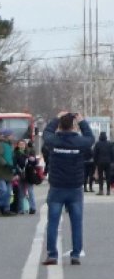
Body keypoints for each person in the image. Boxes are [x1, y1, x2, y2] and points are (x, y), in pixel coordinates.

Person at [41, 112, 94, 265]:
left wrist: (56, 118)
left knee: (53, 222)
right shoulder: (80, 143)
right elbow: (90, 138)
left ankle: (52, 254)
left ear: (59, 126)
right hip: (75, 187)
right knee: (77, 222)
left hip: (57, 187)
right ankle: (76, 254)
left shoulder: (53, 141)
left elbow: (46, 133)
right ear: (73, 126)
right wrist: (82, 122)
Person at [13, 140, 37, 214]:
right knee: (21, 193)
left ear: (25, 145)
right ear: (17, 145)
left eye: (23, 144)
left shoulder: (29, 152)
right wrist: (16, 173)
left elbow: (35, 163)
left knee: (30, 191)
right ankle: (21, 209)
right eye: (20, 144)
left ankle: (33, 208)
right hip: (20, 174)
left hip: (29, 174)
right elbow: (14, 164)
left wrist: (33, 160)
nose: (22, 146)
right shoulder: (15, 153)